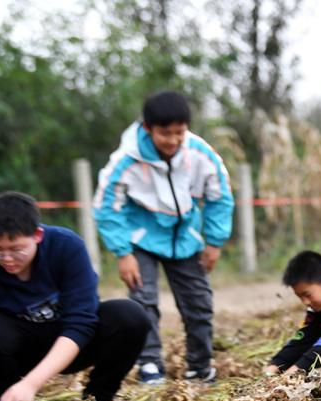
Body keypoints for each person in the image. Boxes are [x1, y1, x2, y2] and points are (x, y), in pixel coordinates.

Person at [0, 192, 149, 401]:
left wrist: (30, 385)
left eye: (17, 249)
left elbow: (81, 321)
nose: (7, 258)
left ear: (37, 236)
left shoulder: (67, 247)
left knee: (130, 316)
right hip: (23, 349)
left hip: (75, 343)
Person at [94, 90, 234, 385]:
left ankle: (199, 365)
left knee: (198, 302)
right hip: (140, 239)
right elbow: (107, 206)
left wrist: (214, 242)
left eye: (179, 133)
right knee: (143, 302)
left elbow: (219, 196)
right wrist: (122, 252)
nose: (172, 141)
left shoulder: (201, 154)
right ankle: (149, 363)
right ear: (148, 128)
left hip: (185, 238)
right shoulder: (125, 160)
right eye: (164, 133)